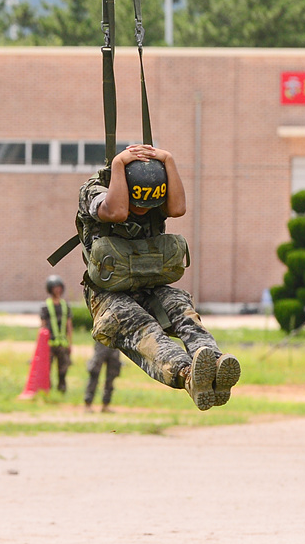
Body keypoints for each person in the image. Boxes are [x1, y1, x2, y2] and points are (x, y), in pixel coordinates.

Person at [75, 143, 239, 411]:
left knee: (182, 308)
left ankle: (214, 365)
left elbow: (178, 209)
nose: (143, 210)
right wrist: (118, 164)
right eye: (138, 204)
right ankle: (187, 374)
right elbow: (115, 212)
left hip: (149, 286)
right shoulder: (93, 191)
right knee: (144, 330)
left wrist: (168, 160)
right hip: (108, 296)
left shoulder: (157, 193)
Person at [40, 274, 73, 394]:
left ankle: (62, 389)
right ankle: (47, 389)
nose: (57, 290)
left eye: (59, 287)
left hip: (62, 342)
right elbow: (43, 325)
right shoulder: (45, 306)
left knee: (63, 368)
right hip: (50, 342)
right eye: (55, 287)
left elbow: (69, 325)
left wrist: (70, 342)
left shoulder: (65, 305)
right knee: (47, 368)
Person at [84, 340, 121, 412]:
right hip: (101, 342)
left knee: (111, 376)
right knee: (94, 373)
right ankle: (88, 403)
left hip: (114, 344)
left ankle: (106, 405)